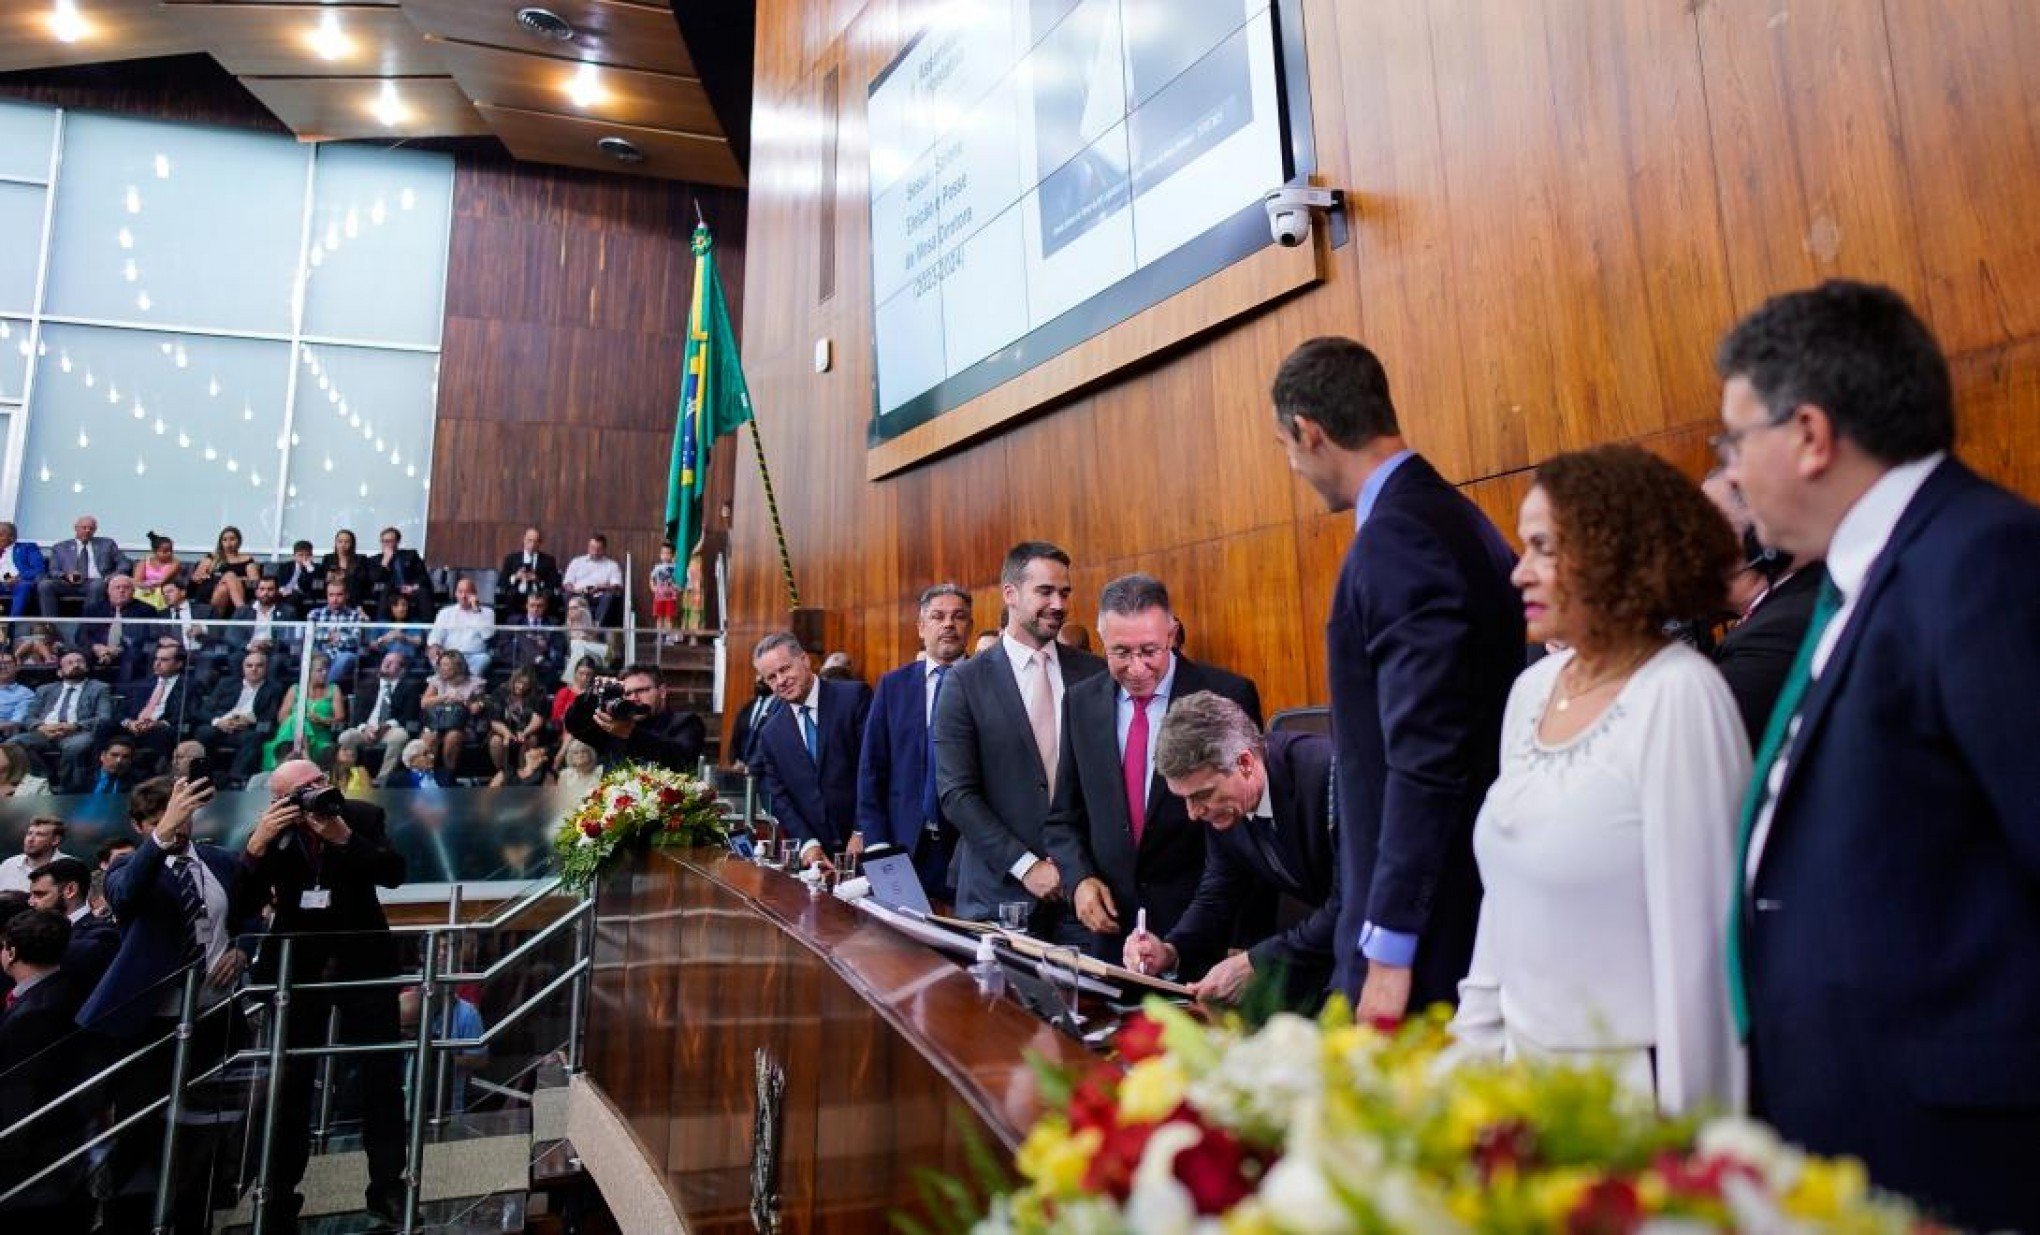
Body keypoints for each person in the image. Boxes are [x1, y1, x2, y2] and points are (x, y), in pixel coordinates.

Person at [1718, 281, 2040, 1231]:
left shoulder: (1983, 563)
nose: (1730, 472)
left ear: (1811, 434)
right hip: (1863, 1130)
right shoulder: (1859, 580)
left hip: (1968, 1155)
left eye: (1735, 441)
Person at [1445, 446, 1747, 1115]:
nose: (1519, 572)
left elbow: (1702, 956)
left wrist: (1696, 1145)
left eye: (1544, 547)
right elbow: (1505, 901)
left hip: (1631, 1096)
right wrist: (1467, 1063)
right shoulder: (1531, 690)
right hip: (1518, 1079)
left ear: (1619, 552)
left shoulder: (1680, 696)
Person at [1270, 337, 1524, 1021]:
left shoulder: (1398, 536)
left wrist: (1387, 945)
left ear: (1307, 431)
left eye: (1286, 448)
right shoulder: (1454, 514)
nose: (1294, 465)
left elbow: (1424, 755)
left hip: (1428, 935)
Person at [1041, 574, 1263, 961]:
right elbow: (1064, 817)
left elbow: (1252, 823)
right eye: (1121, 652)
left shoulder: (1227, 694)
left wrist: (1245, 941)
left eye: (1149, 650)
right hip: (1112, 936)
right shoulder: (1081, 703)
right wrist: (1079, 881)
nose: (1137, 667)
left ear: (1173, 634)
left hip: (1202, 933)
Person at [77, 776, 257, 1230]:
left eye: (181, 819)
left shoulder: (218, 861)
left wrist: (243, 948)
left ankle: (195, 1219)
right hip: (152, 1023)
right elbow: (123, 896)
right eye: (160, 822)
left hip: (214, 1014)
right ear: (141, 825)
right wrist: (158, 841)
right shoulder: (129, 867)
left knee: (207, 1135)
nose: (177, 828)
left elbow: (251, 912)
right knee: (140, 1135)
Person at [240, 759, 408, 1227]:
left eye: (319, 780)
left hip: (363, 961)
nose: (318, 790)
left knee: (382, 1079)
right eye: (304, 788)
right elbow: (243, 902)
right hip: (299, 968)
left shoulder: (362, 816)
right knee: (290, 1084)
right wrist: (256, 847)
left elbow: (394, 872)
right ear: (281, 801)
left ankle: (387, 1187)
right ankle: (277, 1193)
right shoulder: (272, 832)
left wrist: (345, 840)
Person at [933, 541, 1107, 934]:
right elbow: (956, 793)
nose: (1058, 604)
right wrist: (1026, 866)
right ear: (1010, 594)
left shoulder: (1094, 674)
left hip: (1084, 897)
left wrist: (1080, 874)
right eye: (1044, 592)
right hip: (998, 896)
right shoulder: (964, 682)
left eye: (1064, 592)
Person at [1128, 693, 1340, 1007]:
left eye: (1202, 795)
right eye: (1184, 799)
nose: (1193, 812)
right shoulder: (1226, 807)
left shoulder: (1329, 773)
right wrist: (1171, 950)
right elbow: (1218, 894)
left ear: (1244, 763)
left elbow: (1352, 903)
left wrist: (1257, 962)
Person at [856, 585, 971, 899]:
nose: (949, 624)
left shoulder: (987, 684)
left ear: (969, 627)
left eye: (958, 617)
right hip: (904, 846)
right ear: (922, 628)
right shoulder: (893, 686)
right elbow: (872, 770)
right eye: (938, 616)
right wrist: (877, 843)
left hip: (968, 852)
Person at [1699, 471, 1829, 745]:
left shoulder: (1780, 630)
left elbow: (1688, 737)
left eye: (1703, 528)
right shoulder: (1794, 601)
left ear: (1761, 544)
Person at [747, 633, 871, 868]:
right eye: (771, 677)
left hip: (868, 844)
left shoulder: (853, 698)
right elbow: (780, 797)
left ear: (804, 660)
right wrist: (808, 843)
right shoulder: (771, 733)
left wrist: (862, 830)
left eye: (784, 669)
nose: (780, 681)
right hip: (819, 860)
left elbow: (874, 768)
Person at [0, 908, 89, 1225]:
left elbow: (18, 1094)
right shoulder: (64, 990)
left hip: (33, 1162)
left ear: (11, 953)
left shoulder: (34, 1014)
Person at [563, 660, 706, 774]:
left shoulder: (686, 722)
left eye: (642, 690)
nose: (634, 698)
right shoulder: (614, 726)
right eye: (628, 693)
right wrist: (591, 695)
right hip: (613, 807)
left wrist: (630, 733)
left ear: (662, 691)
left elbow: (682, 759)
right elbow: (575, 725)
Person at [8, 652, 115, 787]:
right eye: (69, 663)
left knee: (74, 747)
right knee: (13, 743)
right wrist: (41, 727)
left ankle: (69, 791)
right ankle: (43, 781)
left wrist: (74, 726)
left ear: (87, 668)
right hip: (44, 732)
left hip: (77, 732)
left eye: (80, 662)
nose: (76, 665)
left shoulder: (100, 688)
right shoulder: (44, 689)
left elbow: (104, 717)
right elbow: (28, 716)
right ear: (59, 672)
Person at [28, 855, 118, 993]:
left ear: (70, 890)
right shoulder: (33, 929)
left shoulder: (100, 937)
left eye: (40, 894)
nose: (31, 902)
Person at [197, 649, 286, 785]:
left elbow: (270, 718)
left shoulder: (273, 689)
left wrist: (249, 722)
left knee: (255, 737)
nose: (254, 669)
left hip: (248, 730)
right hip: (222, 726)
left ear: (266, 668)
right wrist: (219, 722)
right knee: (203, 732)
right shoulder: (226, 683)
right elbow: (204, 710)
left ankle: (235, 779)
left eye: (259, 666)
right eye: (249, 666)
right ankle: (203, 777)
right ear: (243, 668)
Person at [340, 651, 425, 786]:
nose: (386, 664)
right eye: (385, 661)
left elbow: (408, 715)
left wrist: (387, 726)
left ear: (401, 670)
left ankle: (382, 780)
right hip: (366, 730)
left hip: (390, 730)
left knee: (400, 736)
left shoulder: (409, 687)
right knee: (346, 736)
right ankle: (349, 778)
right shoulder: (366, 684)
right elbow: (357, 715)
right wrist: (364, 728)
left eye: (391, 663)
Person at [110, 642, 193, 769]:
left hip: (159, 729)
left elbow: (187, 715)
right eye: (156, 658)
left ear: (179, 664)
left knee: (165, 733)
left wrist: (158, 723)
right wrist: (129, 723)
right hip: (133, 728)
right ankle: (97, 773)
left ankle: (155, 774)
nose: (157, 663)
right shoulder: (142, 684)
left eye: (164, 660)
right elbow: (120, 711)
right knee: (105, 726)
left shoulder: (189, 686)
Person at [36, 514, 129, 623]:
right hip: (68, 583)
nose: (87, 530)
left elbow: (125, 563)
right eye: (84, 528)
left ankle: (87, 625)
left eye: (91, 528)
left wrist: (110, 578)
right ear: (76, 528)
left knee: (97, 585)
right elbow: (53, 570)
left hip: (97, 581)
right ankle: (50, 625)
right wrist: (66, 576)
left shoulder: (107, 544)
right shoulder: (60, 547)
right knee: (45, 585)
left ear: (95, 530)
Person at [262, 652, 346, 772]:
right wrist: (302, 720)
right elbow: (282, 718)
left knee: (298, 717)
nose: (325, 673)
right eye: (319, 670)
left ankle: (288, 760)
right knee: (297, 717)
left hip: (319, 737)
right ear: (308, 672)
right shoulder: (295, 689)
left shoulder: (333, 689)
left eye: (326, 670)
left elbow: (340, 718)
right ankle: (303, 754)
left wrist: (321, 720)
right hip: (289, 734)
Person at [419, 649, 486, 783]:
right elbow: (424, 703)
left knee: (452, 736)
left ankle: (448, 776)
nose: (441, 668)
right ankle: (426, 776)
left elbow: (475, 709)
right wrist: (444, 697)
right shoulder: (437, 680)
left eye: (445, 665)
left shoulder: (475, 683)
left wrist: (462, 701)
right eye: (441, 664)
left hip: (463, 726)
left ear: (457, 667)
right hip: (437, 722)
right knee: (429, 736)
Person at [77, 573, 155, 679]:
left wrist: (118, 649)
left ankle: (124, 693)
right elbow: (81, 635)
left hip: (127, 650)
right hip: (98, 651)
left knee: (133, 655)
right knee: (79, 656)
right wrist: (95, 647)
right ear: (108, 591)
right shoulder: (93, 609)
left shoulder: (145, 610)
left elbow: (143, 637)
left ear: (133, 592)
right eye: (117, 588)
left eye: (126, 588)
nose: (121, 591)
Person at [427, 575, 496, 677]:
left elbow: (487, 635)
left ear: (475, 594)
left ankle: (464, 687)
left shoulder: (487, 612)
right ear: (455, 594)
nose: (463, 596)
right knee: (435, 656)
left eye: (467, 592)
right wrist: (435, 647)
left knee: (484, 659)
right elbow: (435, 636)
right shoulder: (445, 612)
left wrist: (476, 610)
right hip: (450, 656)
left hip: (475, 656)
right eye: (460, 592)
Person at [486, 668, 549, 780]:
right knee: (495, 741)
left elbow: (537, 719)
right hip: (503, 729)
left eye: (525, 684)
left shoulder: (538, 694)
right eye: (518, 682)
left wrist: (525, 733)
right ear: (513, 680)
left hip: (528, 730)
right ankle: (503, 772)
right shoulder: (500, 692)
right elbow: (494, 720)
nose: (521, 686)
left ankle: (523, 772)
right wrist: (507, 734)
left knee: (531, 740)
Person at [306, 579, 369, 687]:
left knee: (348, 657)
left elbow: (356, 640)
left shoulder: (355, 615)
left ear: (346, 595)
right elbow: (309, 636)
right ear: (326, 595)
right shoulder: (315, 614)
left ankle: (322, 689)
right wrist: (328, 637)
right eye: (331, 595)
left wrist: (335, 638)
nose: (335, 599)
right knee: (312, 656)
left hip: (342, 654)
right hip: (321, 653)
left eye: (339, 595)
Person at [188, 525, 261, 614]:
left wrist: (233, 580)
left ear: (239, 541)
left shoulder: (247, 560)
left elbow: (254, 583)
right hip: (211, 593)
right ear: (221, 542)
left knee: (225, 585)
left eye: (232, 539)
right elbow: (196, 578)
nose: (228, 543)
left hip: (238, 593)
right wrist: (220, 578)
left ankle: (217, 622)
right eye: (225, 540)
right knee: (229, 576)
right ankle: (242, 612)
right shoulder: (212, 558)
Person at [495, 525, 561, 618]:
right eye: (530, 540)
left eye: (535, 541)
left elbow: (554, 583)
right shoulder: (511, 559)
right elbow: (501, 582)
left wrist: (538, 580)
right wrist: (515, 577)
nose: (532, 544)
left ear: (540, 543)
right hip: (516, 596)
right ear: (524, 540)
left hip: (538, 596)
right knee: (509, 597)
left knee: (546, 600)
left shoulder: (548, 560)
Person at [561, 533, 624, 628]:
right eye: (592, 548)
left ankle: (597, 627)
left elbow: (617, 586)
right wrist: (575, 590)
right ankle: (571, 626)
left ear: (604, 549)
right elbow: (567, 583)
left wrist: (600, 588)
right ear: (588, 547)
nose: (594, 551)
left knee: (608, 597)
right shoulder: (577, 562)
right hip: (578, 594)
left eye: (598, 549)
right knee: (566, 595)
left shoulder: (612, 565)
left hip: (599, 596)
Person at [498, 591, 563, 681]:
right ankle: (536, 658)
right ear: (526, 606)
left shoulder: (553, 622)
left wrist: (546, 646)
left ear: (545, 607)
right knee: (521, 634)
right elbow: (504, 645)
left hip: (545, 660)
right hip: (519, 660)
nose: (535, 609)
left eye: (539, 606)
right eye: (532, 605)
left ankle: (536, 658)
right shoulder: (514, 621)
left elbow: (558, 647)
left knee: (522, 637)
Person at [368, 525, 429, 618]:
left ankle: (427, 627)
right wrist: (385, 561)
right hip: (389, 591)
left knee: (423, 592)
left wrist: (413, 587)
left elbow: (422, 576)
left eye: (390, 541)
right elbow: (376, 579)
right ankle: (380, 627)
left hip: (410, 589)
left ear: (397, 541)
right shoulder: (374, 560)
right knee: (386, 591)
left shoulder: (411, 555)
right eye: (384, 541)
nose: (386, 544)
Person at [0, 817, 68, 893]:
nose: (30, 839)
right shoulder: (8, 865)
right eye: (29, 833)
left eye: (40, 834)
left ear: (55, 840)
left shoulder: (71, 869)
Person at [364, 589, 427, 669]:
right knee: (393, 659)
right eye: (396, 605)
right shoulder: (381, 623)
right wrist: (384, 639)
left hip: (408, 659)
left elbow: (419, 641)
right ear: (390, 607)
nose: (400, 609)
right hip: (384, 656)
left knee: (398, 648)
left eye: (404, 605)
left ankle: (385, 673)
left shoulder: (414, 623)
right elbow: (372, 644)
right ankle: (389, 673)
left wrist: (402, 636)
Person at [67, 733, 140, 795]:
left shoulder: (137, 782)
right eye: (114, 755)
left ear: (131, 760)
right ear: (102, 756)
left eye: (125, 757)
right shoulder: (82, 777)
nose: (119, 761)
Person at [0, 521, 47, 618]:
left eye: (0, 535)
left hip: (19, 583)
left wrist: (18, 578)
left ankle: (12, 625)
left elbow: (39, 569)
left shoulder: (27, 548)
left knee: (23, 586)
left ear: (12, 538)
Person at [317, 528, 373, 609]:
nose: (343, 545)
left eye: (346, 542)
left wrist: (345, 576)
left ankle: (356, 609)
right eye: (340, 541)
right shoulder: (328, 558)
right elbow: (322, 577)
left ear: (352, 544)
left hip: (353, 592)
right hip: (333, 590)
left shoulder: (361, 559)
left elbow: (364, 579)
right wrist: (328, 577)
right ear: (336, 543)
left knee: (352, 583)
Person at [130, 531, 184, 610]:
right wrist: (144, 587)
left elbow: (163, 581)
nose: (169, 553)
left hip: (163, 590)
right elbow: (137, 581)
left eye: (171, 550)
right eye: (165, 551)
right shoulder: (144, 562)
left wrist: (149, 586)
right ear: (154, 551)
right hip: (144, 590)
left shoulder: (175, 563)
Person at [727, 678, 773, 771]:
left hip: (766, 774)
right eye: (758, 674)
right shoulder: (747, 707)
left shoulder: (781, 708)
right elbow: (736, 738)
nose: (760, 679)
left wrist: (752, 767)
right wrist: (735, 760)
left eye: (764, 675)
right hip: (742, 773)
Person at [273, 539, 322, 619]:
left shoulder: (316, 568)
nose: (304, 558)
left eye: (307, 555)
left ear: (311, 555)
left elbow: (314, 587)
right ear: (294, 556)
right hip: (283, 593)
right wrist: (283, 590)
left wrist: (309, 568)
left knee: (293, 596)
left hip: (303, 594)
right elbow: (279, 582)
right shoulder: (285, 566)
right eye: (300, 555)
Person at [550, 657, 596, 729]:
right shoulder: (565, 692)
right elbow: (557, 717)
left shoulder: (594, 694)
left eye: (588, 674)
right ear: (575, 673)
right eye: (581, 673)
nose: (584, 677)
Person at [0, 650, 35, 739]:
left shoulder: (25, 694)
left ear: (17, 667)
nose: (2, 667)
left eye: (8, 663)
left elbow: (17, 722)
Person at [649, 540, 680, 636]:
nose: (665, 555)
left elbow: (679, 580)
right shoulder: (657, 567)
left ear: (673, 555)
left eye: (668, 553)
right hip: (659, 597)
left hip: (671, 597)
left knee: (669, 618)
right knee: (659, 617)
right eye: (663, 553)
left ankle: (668, 637)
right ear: (660, 554)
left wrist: (678, 588)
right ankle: (659, 637)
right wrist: (653, 587)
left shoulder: (676, 567)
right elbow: (651, 578)